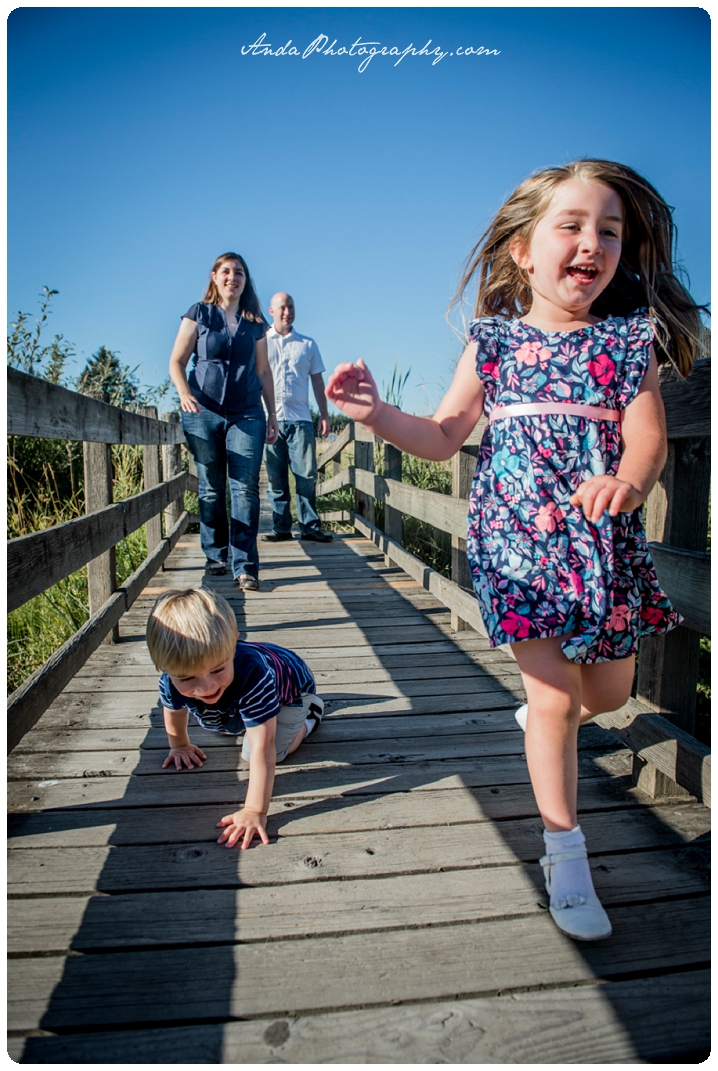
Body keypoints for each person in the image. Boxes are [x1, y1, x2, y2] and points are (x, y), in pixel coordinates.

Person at [326, 159, 704, 942]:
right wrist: (376, 412)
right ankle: (565, 859)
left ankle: (543, 716)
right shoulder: (494, 342)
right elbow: (440, 437)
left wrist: (629, 485)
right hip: (516, 542)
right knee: (561, 702)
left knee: (606, 692)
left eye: (609, 230)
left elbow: (646, 437)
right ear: (525, 251)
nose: (591, 243)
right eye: (571, 225)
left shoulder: (629, 344)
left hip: (601, 545)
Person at [146, 588, 325, 850]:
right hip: (252, 672)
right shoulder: (172, 680)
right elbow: (173, 709)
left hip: (292, 693)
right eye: (187, 678)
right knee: (216, 722)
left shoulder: (252, 676)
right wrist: (179, 744)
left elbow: (264, 747)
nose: (206, 687)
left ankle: (311, 714)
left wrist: (254, 810)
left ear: (233, 646)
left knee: (260, 751)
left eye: (217, 669)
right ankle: (236, 705)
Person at [169, 253, 280, 592]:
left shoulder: (255, 322)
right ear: (215, 276)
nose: (233, 277)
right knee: (211, 487)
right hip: (204, 411)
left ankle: (245, 565)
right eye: (227, 272)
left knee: (245, 488)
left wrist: (272, 413)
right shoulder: (199, 313)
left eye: (240, 273)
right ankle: (216, 555)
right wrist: (184, 393)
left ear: (246, 281)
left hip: (247, 411)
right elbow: (177, 360)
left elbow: (263, 371)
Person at [261, 291, 333, 543]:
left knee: (306, 475)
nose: (287, 312)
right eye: (281, 308)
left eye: (290, 307)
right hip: (270, 420)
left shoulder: (308, 344)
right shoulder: (261, 343)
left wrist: (324, 414)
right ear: (271, 311)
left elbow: (317, 381)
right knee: (276, 477)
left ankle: (310, 527)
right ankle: (281, 528)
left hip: (301, 419)